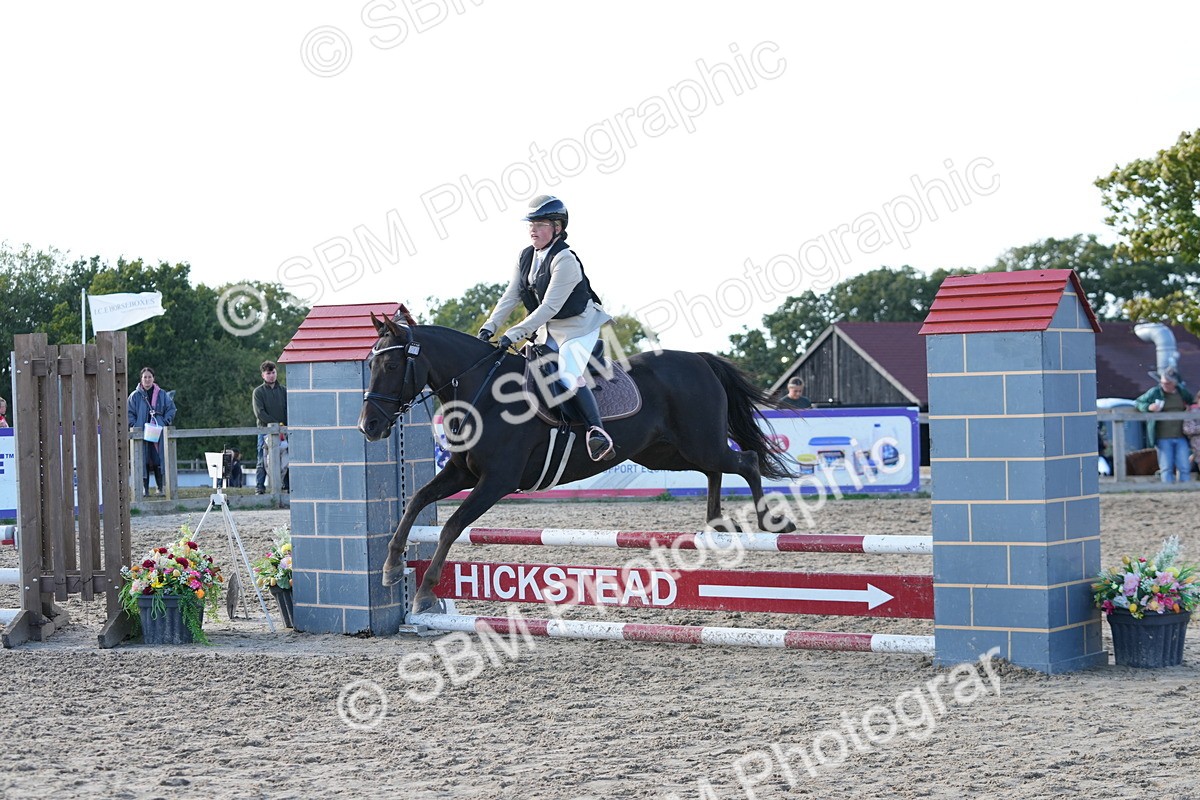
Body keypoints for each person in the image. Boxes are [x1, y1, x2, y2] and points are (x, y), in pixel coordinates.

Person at [478, 195, 616, 461]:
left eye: (540, 224)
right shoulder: (526, 256)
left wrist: (513, 333)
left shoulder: (565, 260)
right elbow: (511, 296)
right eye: (531, 224)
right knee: (523, 369)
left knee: (566, 375)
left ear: (557, 228)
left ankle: (597, 432)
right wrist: (489, 328)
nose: (533, 229)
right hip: (549, 330)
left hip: (578, 328)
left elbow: (549, 308)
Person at [1134, 368, 1195, 483]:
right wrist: (1148, 407)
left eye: (1168, 383)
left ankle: (1185, 489)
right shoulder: (1155, 392)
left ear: (1175, 383)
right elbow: (1138, 402)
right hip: (1162, 436)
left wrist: (1189, 409)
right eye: (1162, 383)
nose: (1164, 385)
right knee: (1166, 466)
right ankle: (1168, 489)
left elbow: (1193, 402)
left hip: (1181, 435)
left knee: (1184, 466)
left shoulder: (1182, 392)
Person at [126, 367, 176, 496]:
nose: (147, 379)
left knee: (158, 459)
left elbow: (171, 408)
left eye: (149, 377)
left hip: (157, 431)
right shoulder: (134, 396)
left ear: (153, 378)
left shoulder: (161, 394)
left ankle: (160, 488)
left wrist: (165, 421)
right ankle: (145, 489)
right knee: (143, 459)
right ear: (141, 379)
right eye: (145, 377)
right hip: (141, 432)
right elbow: (128, 412)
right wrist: (133, 425)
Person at [253, 360, 289, 494]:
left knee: (286, 459)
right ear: (263, 375)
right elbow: (260, 413)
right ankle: (259, 487)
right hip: (265, 431)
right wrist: (275, 425)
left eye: (273, 372)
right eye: (268, 373)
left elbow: (288, 410)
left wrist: (283, 426)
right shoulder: (258, 392)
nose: (271, 376)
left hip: (284, 431)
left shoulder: (284, 390)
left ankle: (287, 486)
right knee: (262, 460)